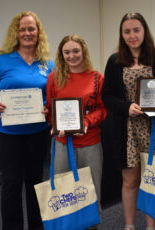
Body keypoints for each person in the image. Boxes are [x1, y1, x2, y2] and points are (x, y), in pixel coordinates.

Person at [0, 11, 54, 230]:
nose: (27, 33)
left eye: (31, 28)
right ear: (16, 32)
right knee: (12, 183)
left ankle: (36, 226)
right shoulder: (1, 60)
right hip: (7, 134)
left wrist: (49, 107)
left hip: (38, 132)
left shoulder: (48, 64)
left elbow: (54, 96)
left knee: (35, 182)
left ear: (38, 32)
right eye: (22, 29)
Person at [102, 12, 155, 230]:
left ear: (144, 31)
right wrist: (126, 107)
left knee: (152, 180)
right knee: (130, 180)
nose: (132, 35)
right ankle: (130, 225)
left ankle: (151, 226)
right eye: (127, 31)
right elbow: (107, 96)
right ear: (122, 34)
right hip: (128, 130)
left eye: (136, 30)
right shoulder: (114, 61)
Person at [46, 34, 107, 229]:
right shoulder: (54, 78)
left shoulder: (97, 78)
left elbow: (102, 109)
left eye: (75, 51)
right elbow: (50, 110)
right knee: (64, 196)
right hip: (63, 145)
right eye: (67, 52)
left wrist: (87, 122)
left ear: (83, 52)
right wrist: (51, 120)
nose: (72, 56)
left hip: (90, 144)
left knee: (91, 194)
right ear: (61, 54)